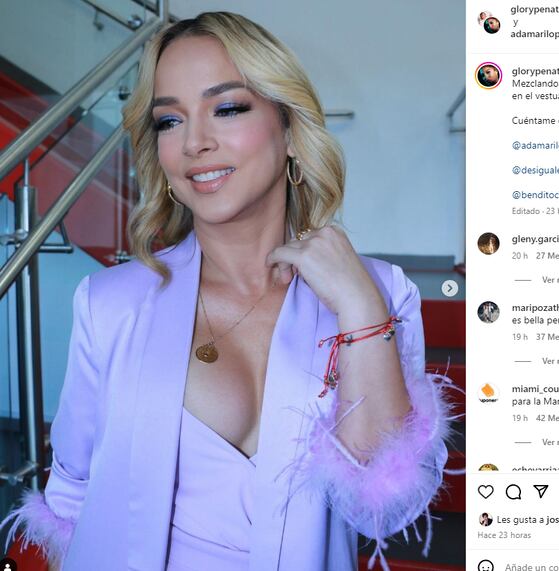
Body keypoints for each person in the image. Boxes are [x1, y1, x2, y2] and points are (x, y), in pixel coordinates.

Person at [1, 12, 452, 571]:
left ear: (290, 130)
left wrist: (360, 310)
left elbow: (383, 512)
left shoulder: (380, 293)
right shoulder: (110, 304)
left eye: (228, 108)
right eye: (169, 121)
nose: (195, 142)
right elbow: (72, 494)